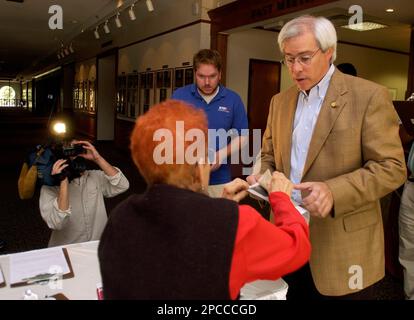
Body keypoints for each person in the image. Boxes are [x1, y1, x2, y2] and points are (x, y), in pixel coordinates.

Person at [247, 15, 406, 299]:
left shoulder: (368, 96)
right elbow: (268, 155)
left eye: (305, 58)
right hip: (286, 240)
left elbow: (392, 168)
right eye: (289, 58)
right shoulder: (279, 102)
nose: (295, 68)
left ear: (329, 51)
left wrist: (334, 191)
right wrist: (262, 174)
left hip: (343, 250)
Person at [98, 100, 310, 299]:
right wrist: (281, 198)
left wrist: (222, 208)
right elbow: (296, 248)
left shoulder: (120, 216)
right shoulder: (233, 223)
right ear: (200, 168)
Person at [172, 49, 248, 198]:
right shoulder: (179, 96)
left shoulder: (233, 99)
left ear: (220, 74)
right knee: (185, 220)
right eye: (201, 76)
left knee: (217, 220)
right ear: (195, 74)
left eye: (212, 76)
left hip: (220, 181)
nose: (207, 82)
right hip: (185, 179)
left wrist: (220, 155)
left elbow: (242, 136)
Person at [39, 140, 129, 247]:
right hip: (67, 248)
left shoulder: (94, 177)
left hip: (96, 246)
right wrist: (63, 181)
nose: (76, 158)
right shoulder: (49, 188)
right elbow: (58, 223)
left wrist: (98, 159)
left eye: (77, 151)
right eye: (70, 152)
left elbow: (123, 185)